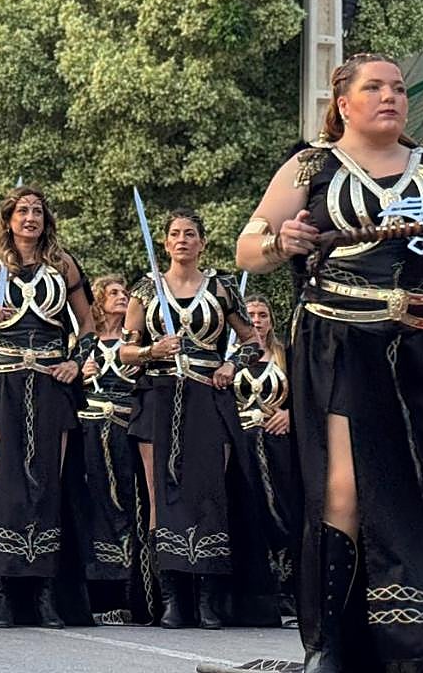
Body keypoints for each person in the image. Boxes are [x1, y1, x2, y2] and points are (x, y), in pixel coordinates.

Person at [237, 53, 423, 671]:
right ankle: (330, 646)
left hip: (419, 348)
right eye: (375, 87)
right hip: (339, 341)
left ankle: (407, 644)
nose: (391, 97)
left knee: (415, 491)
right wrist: (278, 240)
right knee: (341, 490)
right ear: (344, 102)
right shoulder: (310, 164)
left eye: (398, 88)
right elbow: (248, 246)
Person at [0, 185, 97, 628]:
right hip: (3, 381)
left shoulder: (63, 266)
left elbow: (89, 324)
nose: (30, 218)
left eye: (37, 211)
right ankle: (3, 594)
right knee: (3, 484)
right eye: (22, 211)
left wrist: (76, 362)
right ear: (8, 219)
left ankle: (46, 593)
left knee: (48, 484)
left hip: (50, 381)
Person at [120, 208, 271, 630]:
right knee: (160, 498)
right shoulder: (145, 291)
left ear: (202, 242)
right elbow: (125, 352)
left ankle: (209, 598)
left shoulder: (222, 288)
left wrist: (231, 365)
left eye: (190, 234)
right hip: (158, 398)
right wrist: (152, 352)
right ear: (165, 243)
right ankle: (171, 599)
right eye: (174, 234)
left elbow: (252, 342)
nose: (182, 240)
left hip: (209, 396)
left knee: (209, 494)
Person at [78, 275, 147, 624]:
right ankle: (98, 591)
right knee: (96, 504)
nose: (122, 297)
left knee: (128, 502)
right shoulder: (84, 342)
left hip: (125, 427)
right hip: (90, 426)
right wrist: (80, 371)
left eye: (125, 293)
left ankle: (130, 589)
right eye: (115, 293)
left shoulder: (136, 341)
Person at [233, 294, 300, 623]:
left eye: (262, 314)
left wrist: (290, 414)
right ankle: (257, 590)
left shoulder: (285, 356)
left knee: (282, 513)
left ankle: (288, 588)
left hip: (279, 447)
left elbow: (306, 394)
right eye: (250, 315)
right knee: (250, 512)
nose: (257, 320)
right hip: (242, 445)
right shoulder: (229, 357)